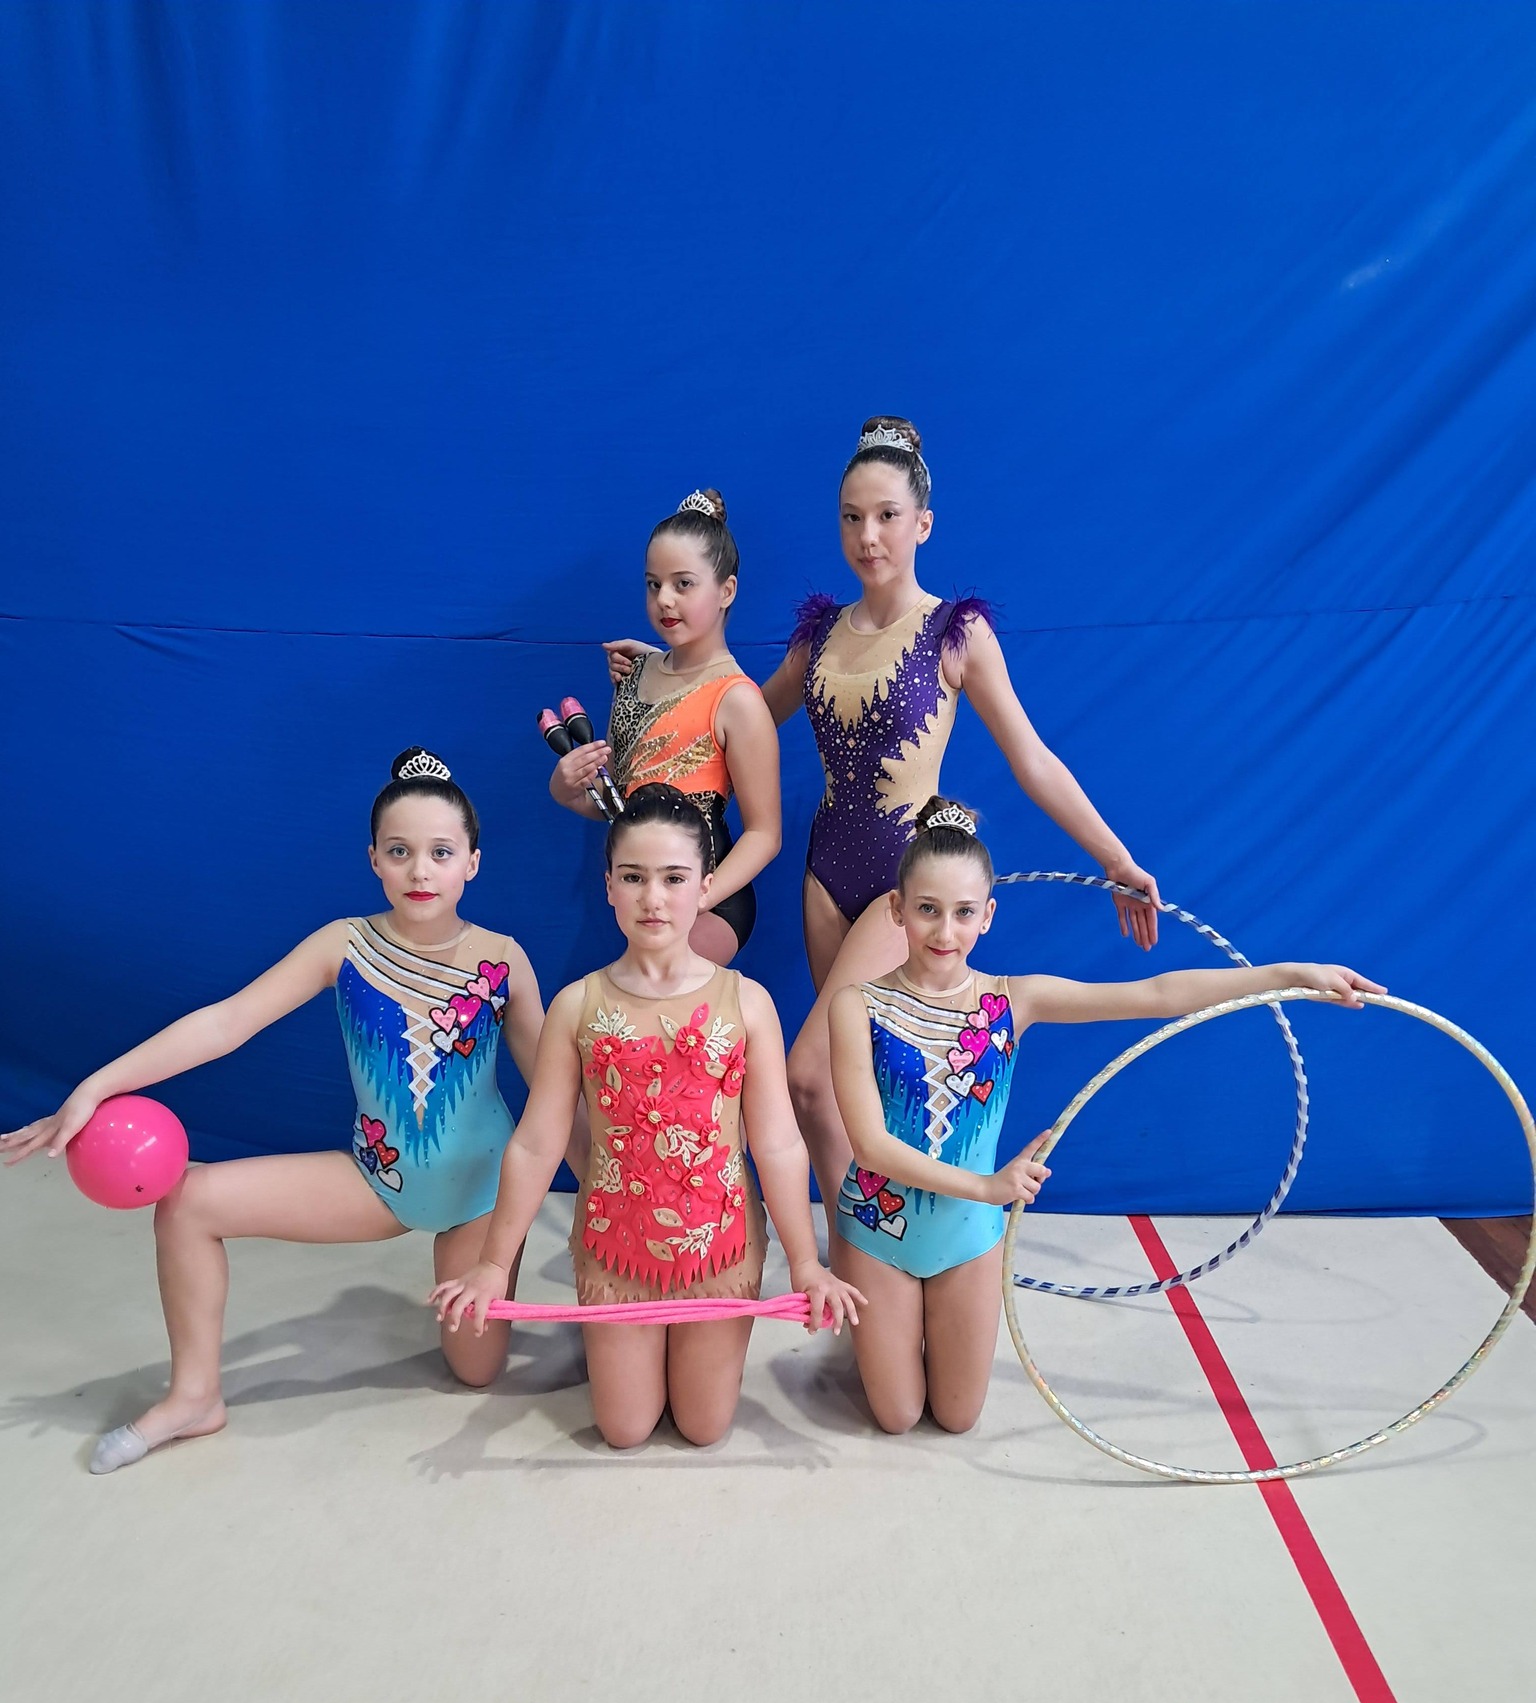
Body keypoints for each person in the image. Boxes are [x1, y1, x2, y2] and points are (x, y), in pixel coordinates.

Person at [606, 417, 1163, 1206]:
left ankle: (864, 1244)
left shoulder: (955, 632)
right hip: (825, 877)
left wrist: (1114, 857)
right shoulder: (819, 634)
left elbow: (1032, 758)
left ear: (922, 523)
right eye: (852, 517)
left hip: (905, 879)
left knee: (809, 1079)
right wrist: (662, 675)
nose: (868, 536)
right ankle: (866, 1246)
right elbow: (731, 717)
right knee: (850, 1084)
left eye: (887, 516)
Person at [1, 749, 557, 1473]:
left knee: (475, 1371)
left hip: (481, 1196)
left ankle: (478, 1285)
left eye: (440, 852)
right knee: (189, 1202)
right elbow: (226, 1022)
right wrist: (93, 1088)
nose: (420, 871)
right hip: (378, 1180)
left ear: (472, 863)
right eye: (399, 851)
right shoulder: (344, 945)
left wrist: (612, 1195)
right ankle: (194, 1396)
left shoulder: (502, 960)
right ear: (374, 860)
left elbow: (554, 1095)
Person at [828, 795, 1382, 1436]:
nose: (944, 933)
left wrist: (1286, 975)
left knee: (957, 1416)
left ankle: (909, 1329)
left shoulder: (1013, 1000)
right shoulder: (856, 1005)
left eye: (963, 912)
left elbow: (1157, 994)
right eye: (927, 909)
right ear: (897, 909)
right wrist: (989, 1186)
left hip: (968, 1237)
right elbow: (870, 1146)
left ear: (988, 916)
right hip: (878, 1229)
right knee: (897, 1417)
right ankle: (888, 1330)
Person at [431, 782, 864, 1449]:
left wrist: (806, 1262)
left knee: (703, 1427)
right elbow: (537, 1144)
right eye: (633, 877)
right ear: (609, 886)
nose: (653, 898)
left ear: (706, 886)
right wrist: (493, 1263)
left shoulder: (748, 1004)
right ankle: (627, 1349)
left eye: (673, 878)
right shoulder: (576, 1006)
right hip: (615, 1251)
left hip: (721, 1249)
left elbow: (778, 1144)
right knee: (625, 1429)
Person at [549, 489, 781, 963]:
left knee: (659, 992)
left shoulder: (738, 701)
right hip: (646, 889)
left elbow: (765, 835)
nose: (665, 600)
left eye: (684, 584)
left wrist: (697, 898)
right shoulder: (634, 676)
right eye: (653, 584)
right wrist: (567, 789)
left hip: (711, 897)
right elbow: (619, 803)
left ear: (727, 591)